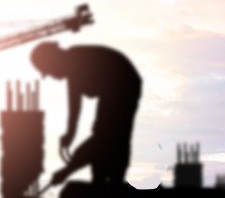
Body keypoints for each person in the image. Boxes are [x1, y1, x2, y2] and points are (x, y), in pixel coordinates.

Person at [30, 42, 141, 186]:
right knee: (106, 135)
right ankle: (102, 180)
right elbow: (74, 108)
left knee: (111, 136)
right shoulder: (73, 65)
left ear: (53, 61)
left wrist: (66, 171)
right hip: (115, 87)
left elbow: (98, 139)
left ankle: (112, 181)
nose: (51, 75)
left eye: (48, 71)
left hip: (124, 84)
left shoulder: (76, 63)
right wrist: (70, 135)